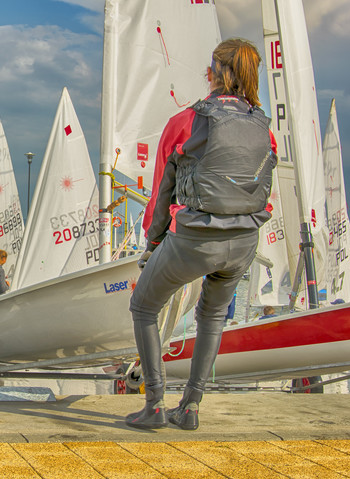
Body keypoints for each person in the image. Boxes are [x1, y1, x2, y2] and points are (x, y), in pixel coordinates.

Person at [126, 38, 277, 431]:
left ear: (214, 72)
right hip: (244, 241)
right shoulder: (264, 127)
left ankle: (155, 404)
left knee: (144, 306)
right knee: (211, 317)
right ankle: (190, 408)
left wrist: (152, 245)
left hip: (194, 239)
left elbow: (163, 192)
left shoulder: (186, 122)